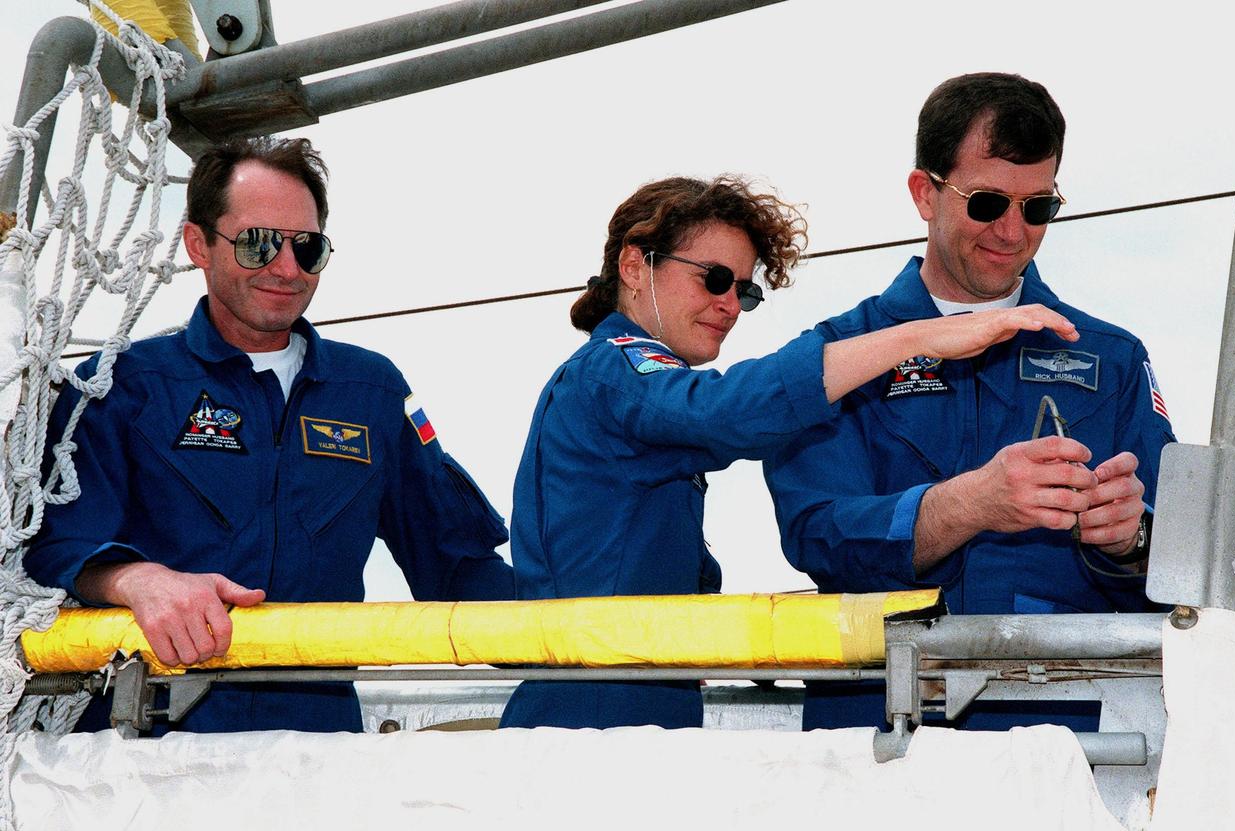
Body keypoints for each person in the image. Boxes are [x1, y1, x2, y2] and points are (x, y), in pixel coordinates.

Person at [498, 174, 1080, 730]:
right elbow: (725, 413)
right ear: (634, 265)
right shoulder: (612, 372)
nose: (730, 303)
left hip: (635, 710)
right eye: (715, 278)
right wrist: (920, 336)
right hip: (586, 716)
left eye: (744, 290)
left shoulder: (627, 393)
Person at [24, 137, 514, 734]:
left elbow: (458, 566)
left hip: (313, 752)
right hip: (141, 755)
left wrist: (604, 617)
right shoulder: (121, 387)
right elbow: (52, 547)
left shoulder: (373, 394)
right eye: (257, 244)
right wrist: (137, 580)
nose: (286, 269)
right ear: (198, 244)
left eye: (306, 248)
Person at [764, 72, 1177, 732]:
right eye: (987, 203)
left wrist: (1133, 539)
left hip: (1059, 752)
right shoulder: (839, 358)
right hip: (878, 741)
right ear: (925, 194)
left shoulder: (1113, 359)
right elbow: (817, 532)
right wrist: (967, 504)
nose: (1013, 231)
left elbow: (1178, 573)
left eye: (1037, 207)